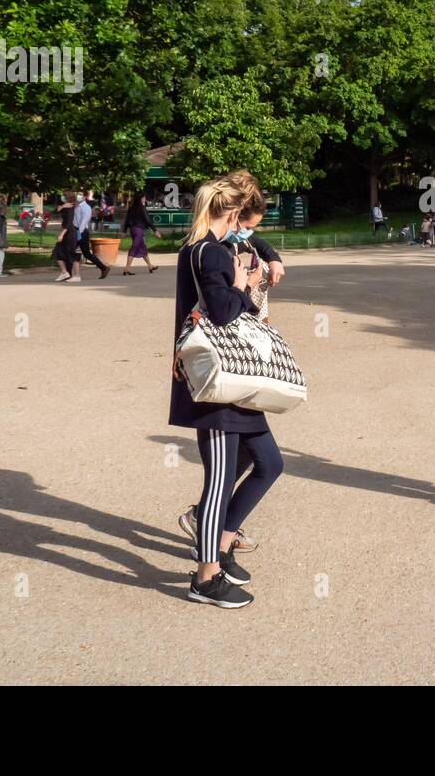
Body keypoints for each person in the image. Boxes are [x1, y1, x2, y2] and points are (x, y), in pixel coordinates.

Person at [169, 174, 283, 610]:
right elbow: (221, 313)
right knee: (219, 480)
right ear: (234, 213)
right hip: (218, 383)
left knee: (268, 463)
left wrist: (247, 286)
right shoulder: (209, 253)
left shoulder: (202, 251)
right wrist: (241, 285)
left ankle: (223, 540)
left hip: (235, 381)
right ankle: (205, 576)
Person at [72, 191, 110, 279]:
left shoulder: (86, 208)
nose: (78, 196)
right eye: (77, 194)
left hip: (81, 232)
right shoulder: (76, 206)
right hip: (76, 231)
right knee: (81, 253)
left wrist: (78, 235)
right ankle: (103, 268)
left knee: (83, 253)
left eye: (80, 195)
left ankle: (103, 268)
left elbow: (83, 222)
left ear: (85, 197)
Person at [121, 191, 160, 275]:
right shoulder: (142, 208)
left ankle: (150, 265)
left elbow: (127, 220)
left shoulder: (131, 208)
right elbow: (148, 220)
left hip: (133, 230)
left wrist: (124, 231)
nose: (145, 199)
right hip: (139, 230)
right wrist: (155, 231)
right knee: (134, 247)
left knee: (142, 247)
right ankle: (127, 268)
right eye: (144, 197)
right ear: (141, 198)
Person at [52, 192, 81, 282]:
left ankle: (77, 276)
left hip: (69, 233)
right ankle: (64, 273)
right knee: (57, 252)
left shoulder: (70, 207)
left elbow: (68, 223)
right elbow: (55, 211)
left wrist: (62, 234)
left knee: (72, 254)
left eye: (64, 195)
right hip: (66, 233)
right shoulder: (65, 206)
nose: (62, 197)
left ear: (68, 197)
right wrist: (63, 206)